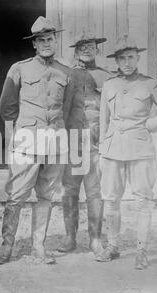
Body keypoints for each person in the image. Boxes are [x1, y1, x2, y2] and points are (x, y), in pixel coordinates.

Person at [0, 16, 73, 265]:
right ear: (34, 44)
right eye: (41, 40)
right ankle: (7, 247)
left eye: (50, 39)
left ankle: (39, 246)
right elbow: (7, 108)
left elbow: (66, 110)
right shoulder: (19, 68)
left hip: (56, 141)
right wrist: (24, 129)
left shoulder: (66, 72)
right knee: (16, 195)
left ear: (55, 41)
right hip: (27, 140)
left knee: (46, 196)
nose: (46, 43)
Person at [98, 35, 157, 269]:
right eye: (122, 58)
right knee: (111, 200)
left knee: (142, 201)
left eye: (131, 57)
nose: (127, 62)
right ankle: (112, 246)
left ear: (138, 58)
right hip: (112, 150)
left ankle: (141, 250)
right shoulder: (109, 85)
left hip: (140, 149)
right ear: (116, 60)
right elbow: (104, 120)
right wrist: (103, 148)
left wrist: (151, 125)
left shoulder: (150, 84)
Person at [58, 32, 114, 257]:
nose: (86, 49)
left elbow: (111, 111)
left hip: (95, 141)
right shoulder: (67, 75)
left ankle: (95, 239)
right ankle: (70, 237)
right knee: (69, 189)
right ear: (75, 50)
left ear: (97, 49)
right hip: (72, 140)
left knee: (94, 191)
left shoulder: (107, 77)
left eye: (91, 45)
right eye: (82, 46)